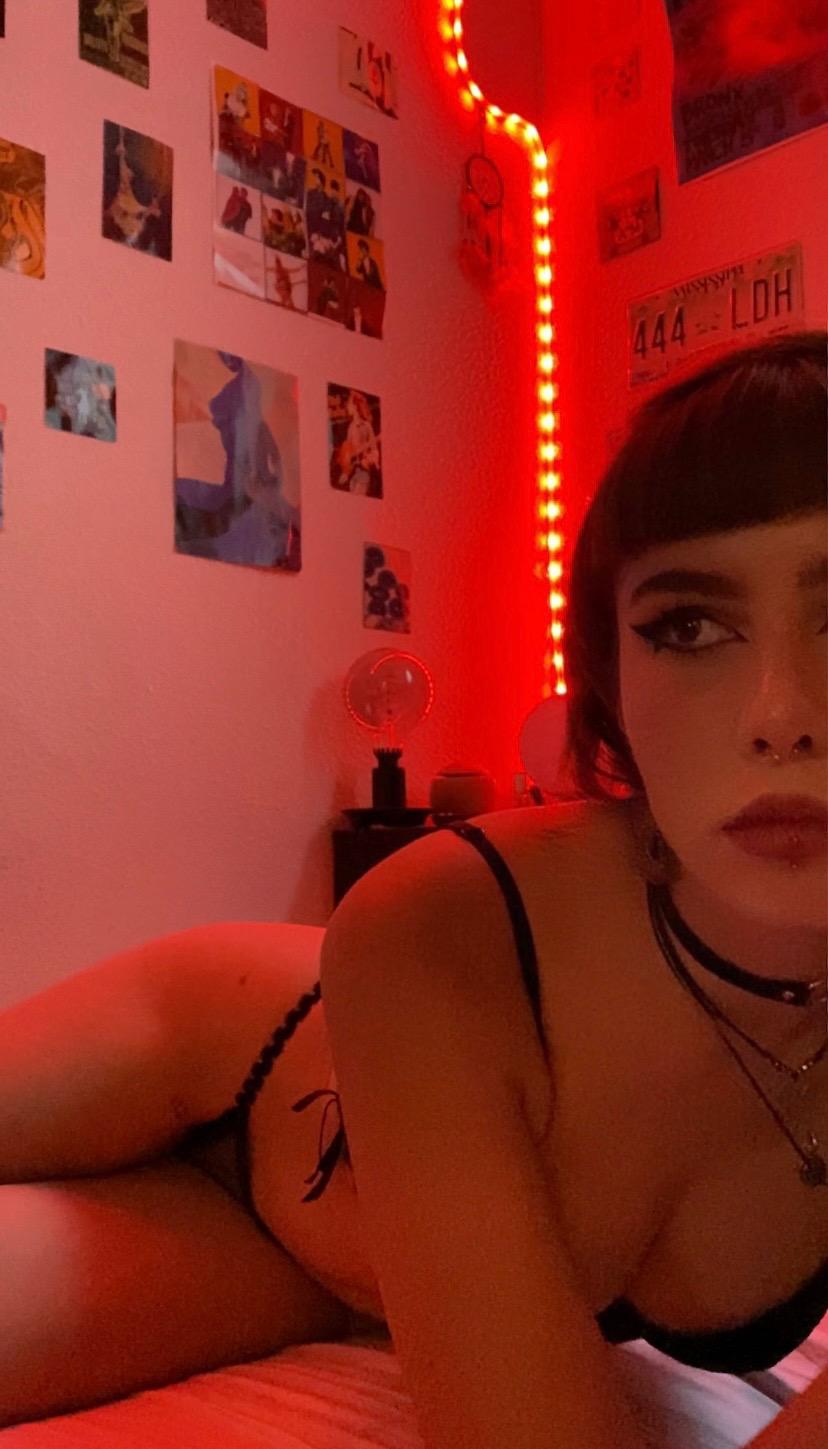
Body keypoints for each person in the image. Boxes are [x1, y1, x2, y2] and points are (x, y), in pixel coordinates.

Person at [0, 332, 826, 1445]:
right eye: (690, 626)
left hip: (315, 1274)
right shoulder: (450, 923)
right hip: (228, 1049)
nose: (779, 712)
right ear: (612, 675)